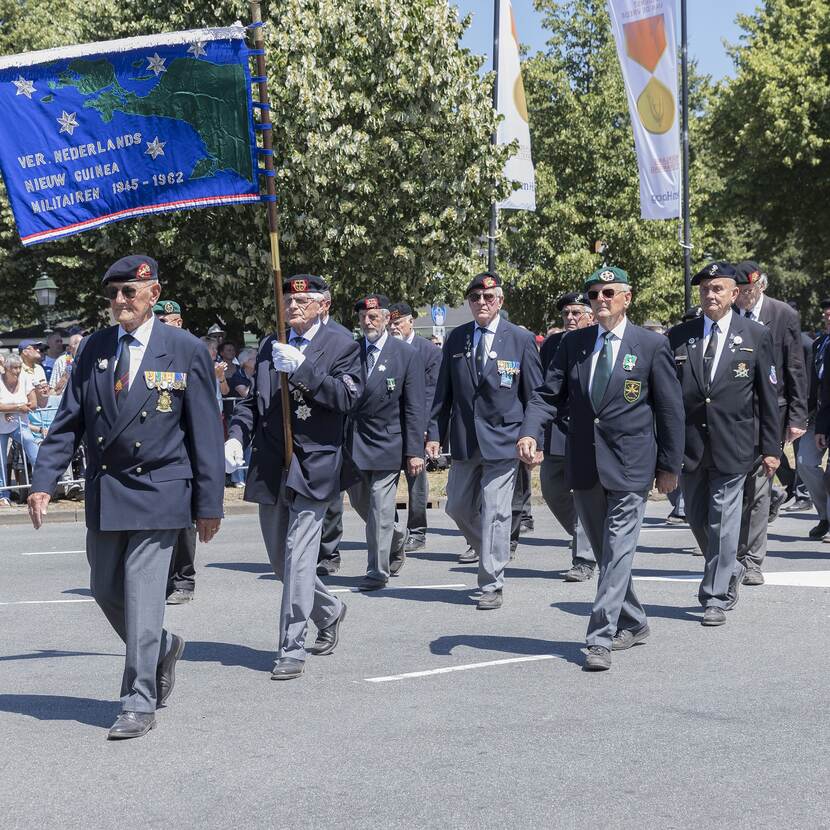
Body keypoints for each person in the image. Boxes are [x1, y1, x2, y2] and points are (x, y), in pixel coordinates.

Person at [27, 254, 225, 740]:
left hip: (161, 489)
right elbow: (68, 421)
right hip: (107, 489)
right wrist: (42, 481)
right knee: (104, 590)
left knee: (140, 597)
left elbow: (204, 432)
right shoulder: (95, 348)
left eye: (128, 293)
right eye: (112, 293)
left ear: (152, 295)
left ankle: (139, 699)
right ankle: (161, 647)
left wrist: (209, 503)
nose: (119, 302)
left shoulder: (184, 349)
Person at [518, 266, 684, 671]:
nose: (601, 299)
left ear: (627, 298)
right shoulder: (573, 343)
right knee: (607, 552)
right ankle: (636, 620)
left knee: (616, 551)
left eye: (609, 292)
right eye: (594, 294)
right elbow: (545, 395)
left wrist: (669, 465)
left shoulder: (649, 344)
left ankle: (599, 638)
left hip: (631, 465)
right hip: (586, 463)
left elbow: (669, 408)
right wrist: (530, 432)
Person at [225, 274, 362, 680]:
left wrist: (305, 370)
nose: (294, 307)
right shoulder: (271, 342)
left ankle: (292, 646)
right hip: (272, 463)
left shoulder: (343, 344)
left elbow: (349, 397)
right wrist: (236, 436)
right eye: (289, 300)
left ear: (325, 304)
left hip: (316, 464)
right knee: (281, 563)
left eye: (304, 301)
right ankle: (330, 609)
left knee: (300, 560)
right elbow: (253, 400)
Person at [668, 262, 780, 626]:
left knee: (723, 520)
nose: (710, 295)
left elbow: (767, 395)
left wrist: (771, 448)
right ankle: (727, 566)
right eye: (704, 290)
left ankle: (714, 596)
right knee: (699, 519)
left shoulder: (756, 334)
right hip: (691, 446)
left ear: (734, 294)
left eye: (718, 289)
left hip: (736, 446)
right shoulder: (680, 335)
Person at [427, 272, 543, 610]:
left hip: (505, 439)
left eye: (488, 297)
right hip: (465, 438)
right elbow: (442, 394)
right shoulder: (457, 338)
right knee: (457, 507)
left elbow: (535, 395)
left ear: (500, 301)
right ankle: (494, 551)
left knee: (495, 511)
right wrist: (434, 434)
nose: (481, 303)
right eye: (475, 297)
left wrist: (532, 435)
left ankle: (491, 580)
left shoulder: (519, 339)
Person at [734, 260, 807, 585]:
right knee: (735, 486)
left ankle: (752, 561)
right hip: (734, 414)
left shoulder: (782, 315)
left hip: (772, 411)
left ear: (760, 286)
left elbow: (794, 367)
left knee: (761, 486)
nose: (745, 298)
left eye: (750, 291)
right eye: (741, 292)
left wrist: (797, 416)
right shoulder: (728, 313)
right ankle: (732, 554)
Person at [347, 295, 425, 588]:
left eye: (374, 317)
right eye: (363, 317)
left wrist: (415, 450)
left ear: (387, 318)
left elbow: (415, 406)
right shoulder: (350, 352)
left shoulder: (405, 354)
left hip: (388, 442)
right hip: (355, 442)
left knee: (381, 506)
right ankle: (395, 536)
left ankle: (376, 571)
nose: (368, 322)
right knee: (360, 502)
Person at [536, 291, 596, 582]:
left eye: (577, 312)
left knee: (584, 493)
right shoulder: (552, 344)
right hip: (558, 429)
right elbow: (542, 390)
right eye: (566, 314)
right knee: (551, 487)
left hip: (590, 429)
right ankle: (590, 535)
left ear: (591, 315)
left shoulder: (600, 339)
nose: (570, 318)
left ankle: (584, 558)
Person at [152, 300, 202, 604]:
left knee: (184, 521)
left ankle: (184, 579)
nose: (163, 325)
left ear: (179, 322)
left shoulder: (191, 351)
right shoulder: (149, 353)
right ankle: (160, 577)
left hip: (185, 450)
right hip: (158, 449)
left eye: (168, 320)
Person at [388, 301, 442, 552]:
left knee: (417, 482)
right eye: (390, 324)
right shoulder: (385, 348)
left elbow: (431, 395)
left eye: (398, 323)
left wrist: (428, 429)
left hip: (416, 426)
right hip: (388, 427)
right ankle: (393, 530)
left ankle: (417, 531)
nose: (394, 328)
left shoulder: (428, 351)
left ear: (411, 322)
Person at [798, 299, 830, 540]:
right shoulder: (818, 343)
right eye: (826, 309)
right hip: (816, 414)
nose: (826, 313)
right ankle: (825, 516)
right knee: (805, 462)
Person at [0, 354, 39, 506]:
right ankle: (3, 495)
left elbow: (33, 403)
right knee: (0, 461)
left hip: (19, 424)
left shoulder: (25, 379)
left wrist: (10, 411)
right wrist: (16, 408)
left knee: (32, 447)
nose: (17, 371)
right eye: (14, 368)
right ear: (6, 369)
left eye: (19, 368)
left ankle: (40, 487)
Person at [18, 339, 50, 408]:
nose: (38, 350)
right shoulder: (16, 369)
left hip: (39, 410)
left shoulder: (39, 368)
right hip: (22, 411)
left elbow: (44, 397)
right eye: (35, 348)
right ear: (25, 352)